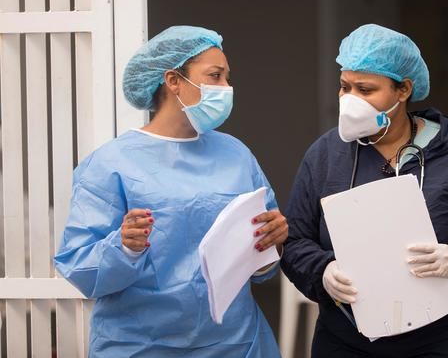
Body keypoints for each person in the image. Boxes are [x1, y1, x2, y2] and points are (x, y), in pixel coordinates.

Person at [280, 24, 448, 358]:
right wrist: (322, 272)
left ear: (403, 89)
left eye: (366, 90)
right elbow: (294, 241)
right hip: (346, 339)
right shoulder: (325, 157)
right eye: (345, 87)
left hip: (441, 339)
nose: (350, 100)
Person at [55, 25, 287, 357]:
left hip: (232, 343)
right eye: (215, 76)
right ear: (173, 81)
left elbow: (261, 263)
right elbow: (80, 266)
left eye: (227, 78)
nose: (226, 88)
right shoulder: (111, 163)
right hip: (140, 345)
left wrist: (271, 244)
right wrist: (123, 247)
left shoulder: (236, 155)